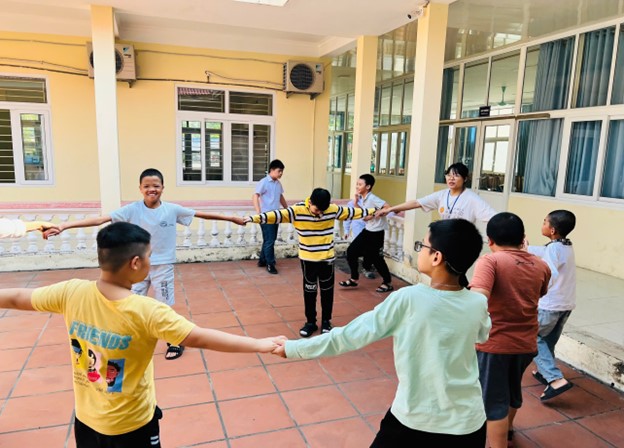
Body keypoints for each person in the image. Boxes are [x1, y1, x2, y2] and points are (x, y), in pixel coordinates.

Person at [0, 222, 282, 448]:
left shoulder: (71, 291)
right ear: (135, 263)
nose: (150, 260)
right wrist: (261, 344)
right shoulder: (147, 311)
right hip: (132, 426)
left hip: (85, 422)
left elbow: (17, 298)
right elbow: (199, 337)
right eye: (149, 255)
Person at [273, 219, 491, 447]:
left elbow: (349, 336)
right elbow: (482, 335)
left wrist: (294, 348)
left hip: (416, 420)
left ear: (436, 257)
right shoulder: (477, 303)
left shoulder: (409, 299)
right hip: (469, 422)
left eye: (422, 245)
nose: (419, 250)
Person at [44, 168, 234, 360]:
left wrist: (233, 218)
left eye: (156, 186)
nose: (152, 189)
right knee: (130, 302)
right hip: (136, 266)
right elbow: (101, 219)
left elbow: (203, 215)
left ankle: (174, 341)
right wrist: (64, 226)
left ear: (163, 187)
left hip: (163, 266)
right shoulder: (132, 209)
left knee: (164, 306)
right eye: (147, 186)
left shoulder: (172, 209)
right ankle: (131, 337)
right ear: (140, 188)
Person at [241, 188, 376, 338]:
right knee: (310, 292)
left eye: (323, 210)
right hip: (308, 260)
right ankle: (311, 322)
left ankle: (326, 322)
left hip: (326, 260)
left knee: (327, 292)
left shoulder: (332, 209)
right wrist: (251, 219)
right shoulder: (297, 211)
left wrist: (375, 210)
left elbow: (353, 212)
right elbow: (275, 215)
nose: (320, 213)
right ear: (310, 202)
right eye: (317, 210)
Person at [469, 212, 551, 448]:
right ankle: (508, 429)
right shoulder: (540, 265)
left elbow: (478, 298)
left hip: (495, 344)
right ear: (523, 238)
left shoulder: (490, 261)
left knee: (493, 403)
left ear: (490, 240)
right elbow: (541, 292)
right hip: (526, 344)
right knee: (512, 389)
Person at [527, 210, 577, 401]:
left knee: (532, 338)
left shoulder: (554, 249)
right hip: (565, 305)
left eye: (544, 222)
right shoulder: (565, 245)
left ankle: (555, 379)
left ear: (553, 230)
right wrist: (526, 248)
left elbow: (550, 272)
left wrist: (536, 290)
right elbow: (544, 251)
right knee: (547, 340)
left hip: (550, 305)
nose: (542, 225)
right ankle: (544, 372)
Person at [377, 162, 496, 224]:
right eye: (449, 175)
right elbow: (416, 203)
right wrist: (390, 209)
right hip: (444, 238)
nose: (451, 178)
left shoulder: (471, 198)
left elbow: (492, 217)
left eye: (456, 176)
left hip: (462, 241)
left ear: (465, 179)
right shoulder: (442, 195)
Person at [339, 174, 393, 293]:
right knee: (351, 252)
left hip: (377, 233)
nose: (357, 186)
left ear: (368, 186)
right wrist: (356, 202)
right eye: (357, 184)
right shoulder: (363, 198)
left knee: (376, 258)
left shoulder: (372, 198)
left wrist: (373, 215)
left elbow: (387, 207)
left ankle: (387, 282)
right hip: (368, 230)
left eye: (360, 184)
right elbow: (362, 212)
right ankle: (354, 279)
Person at [253, 159, 288, 275]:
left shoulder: (278, 183)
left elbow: (280, 196)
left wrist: (287, 209)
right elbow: (255, 196)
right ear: (272, 170)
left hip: (276, 216)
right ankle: (270, 264)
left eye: (282, 171)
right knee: (270, 240)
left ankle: (262, 260)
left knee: (268, 239)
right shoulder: (264, 182)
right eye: (279, 171)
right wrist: (258, 212)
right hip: (266, 216)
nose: (281, 173)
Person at [342, 197, 375, 279]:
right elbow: (347, 218)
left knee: (369, 250)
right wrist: (346, 231)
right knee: (353, 251)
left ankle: (367, 268)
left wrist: (393, 211)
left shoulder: (372, 201)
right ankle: (355, 273)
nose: (358, 191)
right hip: (357, 232)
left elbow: (378, 212)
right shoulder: (351, 203)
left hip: (369, 230)